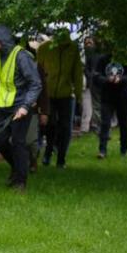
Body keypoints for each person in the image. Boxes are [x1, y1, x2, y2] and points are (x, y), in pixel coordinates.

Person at [0, 25, 42, 190]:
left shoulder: (22, 56)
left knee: (18, 142)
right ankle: (17, 168)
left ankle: (20, 181)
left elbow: (35, 84)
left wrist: (25, 106)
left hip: (20, 107)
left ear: (1, 41)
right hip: (3, 107)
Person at [36, 29, 83, 167]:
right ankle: (48, 152)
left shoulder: (73, 49)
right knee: (49, 125)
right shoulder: (44, 48)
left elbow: (77, 73)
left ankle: (61, 158)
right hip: (48, 94)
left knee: (65, 127)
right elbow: (38, 71)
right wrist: (38, 94)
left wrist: (78, 95)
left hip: (66, 94)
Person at [93, 55, 127, 159]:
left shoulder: (126, 57)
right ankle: (102, 150)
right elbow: (96, 76)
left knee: (124, 125)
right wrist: (106, 80)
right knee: (105, 123)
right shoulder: (102, 59)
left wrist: (120, 79)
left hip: (123, 97)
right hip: (107, 97)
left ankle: (124, 150)